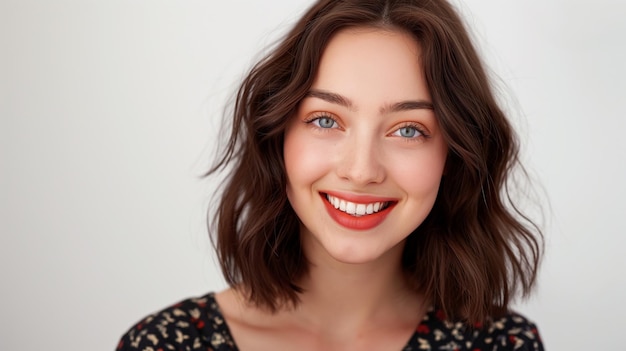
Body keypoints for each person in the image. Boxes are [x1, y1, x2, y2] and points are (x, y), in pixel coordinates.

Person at [117, 0, 544, 350]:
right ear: (278, 135)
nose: (360, 171)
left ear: (456, 154)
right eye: (325, 120)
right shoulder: (161, 344)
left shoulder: (503, 344)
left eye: (409, 129)